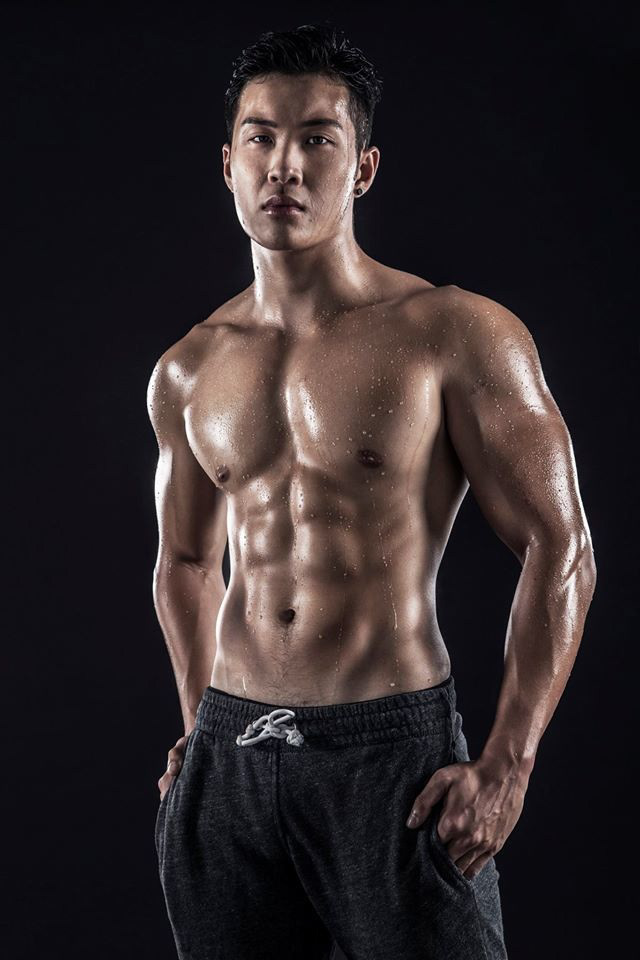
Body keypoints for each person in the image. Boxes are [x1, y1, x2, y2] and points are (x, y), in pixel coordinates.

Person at [147, 21, 597, 960]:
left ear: (363, 168)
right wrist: (200, 728)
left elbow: (562, 546)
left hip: (387, 760)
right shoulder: (188, 369)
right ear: (228, 164)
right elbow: (185, 561)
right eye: (262, 138)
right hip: (230, 762)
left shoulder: (453, 333)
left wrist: (508, 765)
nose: (285, 165)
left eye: (318, 138)